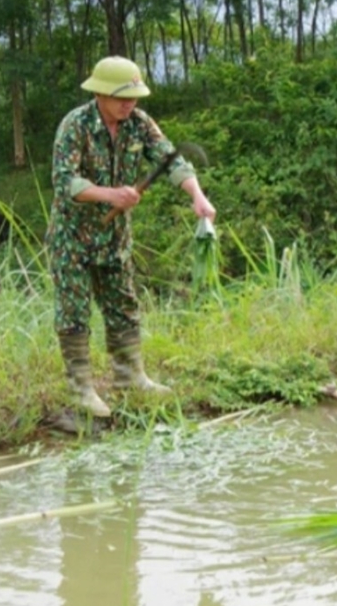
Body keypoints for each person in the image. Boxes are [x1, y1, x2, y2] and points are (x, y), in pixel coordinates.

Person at [49, 55, 216, 417]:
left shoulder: (139, 124)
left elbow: (171, 159)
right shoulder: (75, 126)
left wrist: (196, 195)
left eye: (134, 97)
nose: (130, 104)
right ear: (101, 94)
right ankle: (81, 391)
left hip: (115, 238)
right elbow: (64, 182)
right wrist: (111, 194)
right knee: (73, 312)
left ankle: (130, 376)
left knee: (123, 304)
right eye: (123, 98)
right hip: (72, 239)